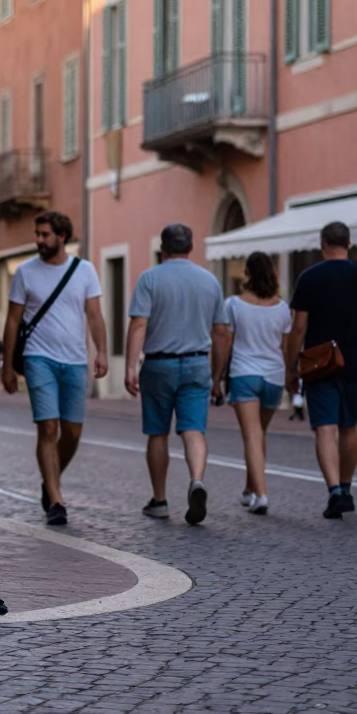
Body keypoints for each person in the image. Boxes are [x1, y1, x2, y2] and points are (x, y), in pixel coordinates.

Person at [1, 212, 108, 526]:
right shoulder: (24, 272)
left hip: (75, 360)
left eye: (45, 234)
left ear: (62, 237)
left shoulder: (85, 270)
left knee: (73, 432)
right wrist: (7, 366)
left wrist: (101, 351)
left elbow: (95, 315)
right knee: (48, 428)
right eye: (38, 234)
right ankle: (57, 500)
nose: (39, 240)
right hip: (38, 358)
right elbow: (12, 320)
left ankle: (50, 480)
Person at [285, 222, 357, 518]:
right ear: (349, 244)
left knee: (325, 427)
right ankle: (346, 488)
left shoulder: (309, 278)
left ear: (323, 243)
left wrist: (291, 367)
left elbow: (298, 328)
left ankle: (334, 491)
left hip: (320, 364)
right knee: (349, 426)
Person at [125, 223, 230, 526]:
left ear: (163, 248)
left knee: (157, 432)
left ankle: (159, 501)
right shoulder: (209, 280)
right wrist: (217, 374)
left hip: (159, 364)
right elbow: (221, 332)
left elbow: (138, 325)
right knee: (193, 430)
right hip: (197, 364)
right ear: (191, 247)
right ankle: (196, 480)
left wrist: (131, 366)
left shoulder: (149, 278)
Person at [225, 252, 292, 515]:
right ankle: (249, 489)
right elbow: (285, 348)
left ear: (248, 274)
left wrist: (217, 373)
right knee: (258, 435)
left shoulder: (233, 305)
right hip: (274, 376)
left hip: (244, 374)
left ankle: (262, 495)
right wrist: (290, 377)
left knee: (252, 436)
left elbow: (226, 342)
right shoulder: (282, 308)